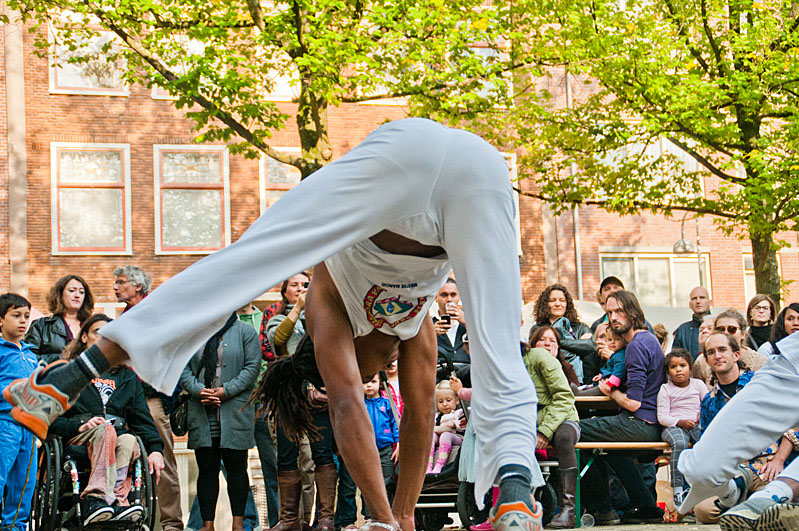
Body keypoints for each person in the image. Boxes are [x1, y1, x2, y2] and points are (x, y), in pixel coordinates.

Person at [6, 118, 543, 531]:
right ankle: (516, 486)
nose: (377, 374)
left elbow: (417, 410)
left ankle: (515, 487)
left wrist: (396, 516)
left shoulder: (386, 324)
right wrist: (388, 517)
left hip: (428, 156)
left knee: (499, 339)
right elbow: (349, 404)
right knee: (253, 260)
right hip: (454, 170)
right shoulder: (336, 310)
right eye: (370, 371)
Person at [674, 332, 798, 526]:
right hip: (736, 472)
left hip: (770, 466)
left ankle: (763, 503)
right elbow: (709, 444)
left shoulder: (759, 383)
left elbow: (793, 427)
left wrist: (780, 460)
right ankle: (747, 507)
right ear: (706, 360)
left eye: (722, 350)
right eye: (711, 352)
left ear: (736, 355)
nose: (717, 355)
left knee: (777, 499)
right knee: (704, 511)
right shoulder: (709, 401)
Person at [53, 313, 166, 525]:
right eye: (98, 333)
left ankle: (117, 499)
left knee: (129, 440)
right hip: (81, 437)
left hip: (116, 436)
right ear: (84, 337)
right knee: (106, 431)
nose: (105, 339)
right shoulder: (68, 372)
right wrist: (79, 426)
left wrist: (155, 450)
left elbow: (142, 420)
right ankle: (95, 498)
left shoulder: (127, 376)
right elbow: (52, 422)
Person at [578, 290, 665, 525]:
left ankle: (603, 509)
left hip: (640, 423)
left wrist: (611, 391)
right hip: (648, 423)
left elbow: (633, 403)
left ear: (633, 312)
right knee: (613, 450)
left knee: (573, 433)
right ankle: (646, 506)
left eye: (619, 311)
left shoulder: (636, 345)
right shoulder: (646, 339)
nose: (613, 317)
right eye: (609, 313)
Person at [265, 273, 338, 531]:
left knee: (322, 454)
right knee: (286, 456)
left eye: (306, 285)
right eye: (294, 285)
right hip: (289, 396)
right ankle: (289, 520)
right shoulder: (277, 319)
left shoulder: (325, 317)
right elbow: (278, 342)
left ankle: (325, 519)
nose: (301, 289)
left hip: (318, 395)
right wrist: (298, 307)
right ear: (285, 291)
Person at [115, 265, 185, 531]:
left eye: (121, 282)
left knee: (162, 461)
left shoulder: (155, 314)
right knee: (127, 462)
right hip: (124, 401)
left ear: (138, 287)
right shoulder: (122, 318)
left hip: (152, 399)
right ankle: (134, 520)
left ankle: (171, 525)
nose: (116, 287)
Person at [179, 313, 261, 531]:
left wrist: (227, 390)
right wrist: (199, 391)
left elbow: (252, 367)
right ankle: (207, 524)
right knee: (206, 470)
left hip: (235, 410)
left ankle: (238, 522)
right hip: (202, 410)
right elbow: (182, 368)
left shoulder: (245, 332)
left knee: (237, 468)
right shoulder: (194, 333)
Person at [522, 344, 580, 529]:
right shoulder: (500, 363)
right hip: (527, 422)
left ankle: (568, 511)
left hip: (564, 417)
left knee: (563, 438)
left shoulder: (537, 356)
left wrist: (545, 430)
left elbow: (564, 396)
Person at [238, 301, 279, 528]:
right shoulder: (228, 322)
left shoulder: (264, 319)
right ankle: (248, 520)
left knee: (272, 464)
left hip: (264, 402)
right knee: (235, 464)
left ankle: (277, 521)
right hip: (237, 403)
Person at [0, 293, 38, 531]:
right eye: (16, 316)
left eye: (26, 316)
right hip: (5, 423)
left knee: (24, 483)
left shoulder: (32, 354)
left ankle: (14, 526)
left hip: (30, 426)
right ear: (1, 320)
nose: (23, 321)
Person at [656, 349, 708, 510]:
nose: (678, 370)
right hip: (673, 426)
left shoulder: (698, 385)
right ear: (668, 372)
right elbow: (662, 417)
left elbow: (707, 403)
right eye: (673, 367)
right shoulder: (665, 389)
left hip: (695, 424)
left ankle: (703, 485)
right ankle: (678, 489)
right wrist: (680, 422)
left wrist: (701, 414)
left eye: (683, 365)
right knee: (680, 443)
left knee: (704, 443)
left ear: (690, 368)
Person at [529, 284, 597, 383]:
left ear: (567, 304)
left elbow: (591, 346)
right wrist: (577, 344)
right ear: (545, 304)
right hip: (549, 377)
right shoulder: (538, 329)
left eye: (562, 300)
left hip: (582, 380)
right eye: (552, 300)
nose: (557, 304)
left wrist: (558, 342)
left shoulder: (580, 327)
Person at [25, 274, 95, 363]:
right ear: (60, 295)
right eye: (72, 290)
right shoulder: (41, 325)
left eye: (81, 292)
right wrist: (61, 358)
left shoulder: (92, 326)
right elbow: (29, 359)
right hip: (53, 375)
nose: (77, 295)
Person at [692, 309, 767, 387]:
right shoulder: (702, 361)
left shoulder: (759, 361)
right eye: (720, 329)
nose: (726, 333)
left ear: (743, 334)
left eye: (732, 329)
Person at [364, 374, 399, 511]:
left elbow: (396, 425)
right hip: (366, 450)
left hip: (386, 449)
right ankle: (369, 515)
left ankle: (388, 513)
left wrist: (399, 445)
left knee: (388, 480)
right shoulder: (359, 405)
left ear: (380, 384)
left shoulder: (387, 403)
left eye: (373, 381)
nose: (369, 385)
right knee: (369, 483)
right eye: (365, 382)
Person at [574, 325, 626, 396]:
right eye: (609, 339)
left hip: (612, 387)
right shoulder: (590, 359)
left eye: (617, 339)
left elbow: (619, 371)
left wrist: (610, 383)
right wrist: (600, 376)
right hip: (601, 384)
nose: (612, 342)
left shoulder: (621, 355)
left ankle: (579, 393)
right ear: (596, 341)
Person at [427, 381, 464, 474]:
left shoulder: (458, 413)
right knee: (431, 435)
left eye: (448, 400)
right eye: (440, 401)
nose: (444, 404)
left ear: (457, 400)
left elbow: (462, 425)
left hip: (457, 437)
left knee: (446, 434)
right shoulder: (437, 416)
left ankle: (440, 465)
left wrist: (455, 424)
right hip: (440, 438)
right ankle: (428, 464)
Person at [433, 279, 469, 364]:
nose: (449, 299)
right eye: (444, 295)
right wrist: (431, 335)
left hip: (467, 372)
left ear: (459, 296)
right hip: (440, 373)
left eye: (453, 295)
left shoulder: (470, 322)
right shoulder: (429, 324)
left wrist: (467, 323)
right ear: (435, 297)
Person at [672, 286, 712, 360]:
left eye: (702, 297)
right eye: (694, 298)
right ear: (690, 304)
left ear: (710, 302)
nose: (698, 301)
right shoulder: (682, 331)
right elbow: (676, 360)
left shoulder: (720, 326)